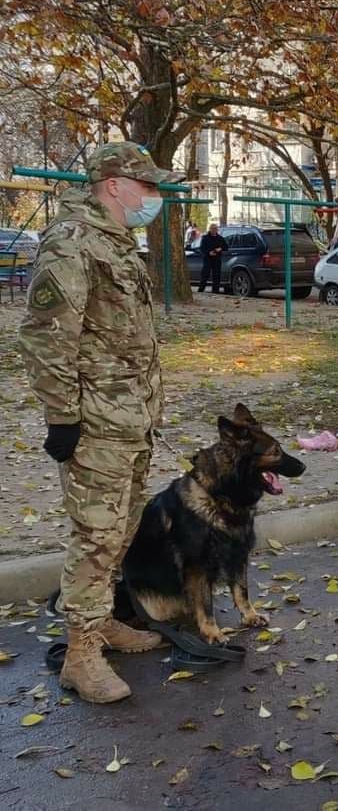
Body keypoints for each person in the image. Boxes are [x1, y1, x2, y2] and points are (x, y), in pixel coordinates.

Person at [18, 141, 182, 703]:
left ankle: (102, 620)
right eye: (148, 186)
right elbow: (45, 336)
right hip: (94, 424)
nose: (154, 198)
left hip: (130, 419)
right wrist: (62, 416)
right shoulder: (72, 243)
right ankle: (81, 656)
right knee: (96, 536)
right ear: (114, 184)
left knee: (122, 527)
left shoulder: (117, 243)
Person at [198, 222, 228, 294]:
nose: (214, 230)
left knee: (217, 275)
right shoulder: (205, 238)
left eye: (216, 229)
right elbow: (202, 249)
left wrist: (220, 249)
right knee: (205, 274)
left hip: (217, 259)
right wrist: (209, 253)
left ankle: (215, 290)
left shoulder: (220, 238)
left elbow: (226, 247)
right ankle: (201, 290)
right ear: (210, 229)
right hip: (208, 259)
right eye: (213, 229)